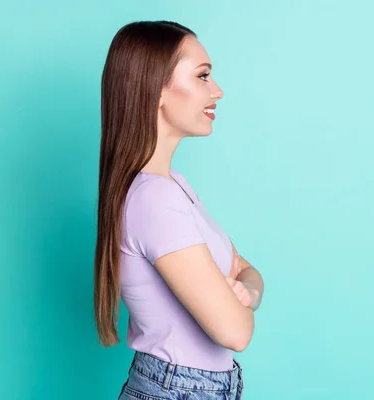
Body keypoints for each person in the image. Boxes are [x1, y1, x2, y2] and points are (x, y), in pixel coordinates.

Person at [93, 20, 264, 400]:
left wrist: (245, 291)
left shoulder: (175, 187)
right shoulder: (155, 199)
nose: (217, 91)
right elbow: (235, 332)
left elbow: (247, 272)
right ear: (156, 90)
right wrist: (242, 293)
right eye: (202, 76)